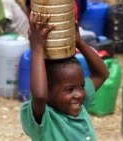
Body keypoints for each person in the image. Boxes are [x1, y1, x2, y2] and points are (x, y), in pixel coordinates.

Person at [20, 12, 109, 141]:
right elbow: (39, 96)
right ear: (48, 92)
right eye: (69, 89)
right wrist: (37, 48)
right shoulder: (44, 119)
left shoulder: (78, 106)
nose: (79, 94)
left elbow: (102, 74)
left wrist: (79, 42)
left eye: (82, 86)